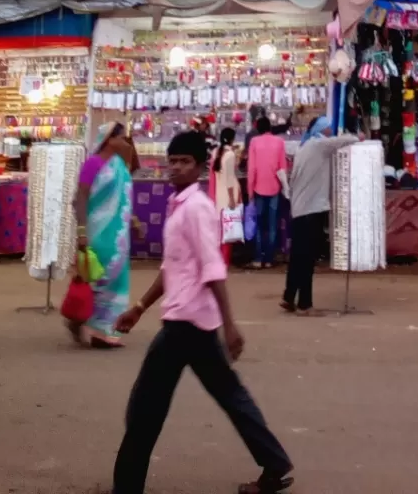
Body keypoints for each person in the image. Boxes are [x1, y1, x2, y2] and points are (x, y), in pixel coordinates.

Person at [111, 130, 294, 494]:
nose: (176, 168)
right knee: (230, 395)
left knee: (145, 406)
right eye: (172, 162)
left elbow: (212, 268)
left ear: (199, 168)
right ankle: (274, 465)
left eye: (185, 162)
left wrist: (230, 325)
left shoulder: (196, 209)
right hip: (191, 321)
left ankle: (126, 486)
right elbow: (172, 267)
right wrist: (139, 307)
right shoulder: (179, 205)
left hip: (186, 323)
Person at [281, 116, 358, 315]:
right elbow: (343, 141)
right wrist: (359, 137)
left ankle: (289, 296)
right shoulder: (318, 145)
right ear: (321, 129)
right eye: (328, 128)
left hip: (299, 209)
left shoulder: (304, 147)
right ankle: (305, 304)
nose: (330, 131)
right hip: (311, 210)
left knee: (298, 257)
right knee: (306, 259)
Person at [73, 122, 137, 348]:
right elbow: (80, 198)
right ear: (109, 139)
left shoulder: (120, 165)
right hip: (97, 231)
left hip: (118, 234)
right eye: (121, 138)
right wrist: (81, 231)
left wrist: (135, 221)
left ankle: (105, 330)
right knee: (97, 276)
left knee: (117, 277)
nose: (125, 142)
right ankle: (89, 324)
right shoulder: (93, 164)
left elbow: (123, 199)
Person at [246, 116, 287, 270]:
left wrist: (250, 190)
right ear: (270, 127)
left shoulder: (254, 142)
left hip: (258, 187)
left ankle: (258, 258)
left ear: (258, 128)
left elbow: (252, 169)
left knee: (257, 225)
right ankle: (269, 259)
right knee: (271, 225)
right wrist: (284, 187)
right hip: (275, 187)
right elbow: (283, 167)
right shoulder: (280, 142)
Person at [212, 128, 240, 262]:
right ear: (232, 139)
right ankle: (224, 260)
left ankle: (217, 259)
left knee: (219, 232)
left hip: (219, 194)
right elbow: (229, 179)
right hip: (229, 195)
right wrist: (232, 200)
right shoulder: (230, 155)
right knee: (228, 231)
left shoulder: (216, 152)